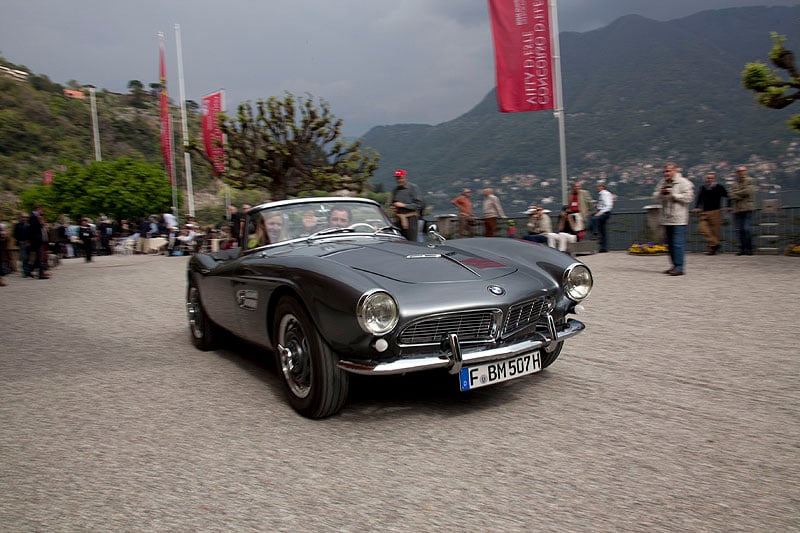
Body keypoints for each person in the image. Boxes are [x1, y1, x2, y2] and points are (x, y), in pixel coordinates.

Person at [653, 163, 694, 276]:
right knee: (670, 244)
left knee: (677, 243)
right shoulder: (662, 182)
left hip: (678, 218)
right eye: (665, 171)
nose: (667, 173)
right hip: (666, 217)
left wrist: (674, 194)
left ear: (675, 170)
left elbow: (689, 198)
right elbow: (655, 196)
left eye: (669, 171)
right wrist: (661, 193)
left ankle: (679, 267)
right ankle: (673, 265)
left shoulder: (683, 182)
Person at [692, 171, 728, 255]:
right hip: (705, 211)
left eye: (711, 178)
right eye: (708, 178)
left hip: (716, 211)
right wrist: (697, 207)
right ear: (706, 179)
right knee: (702, 228)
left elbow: (727, 195)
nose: (709, 180)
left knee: (715, 231)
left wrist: (728, 206)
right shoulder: (703, 187)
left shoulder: (719, 187)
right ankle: (716, 244)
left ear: (714, 179)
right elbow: (699, 198)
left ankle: (712, 249)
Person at [728, 165, 756, 256]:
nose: (740, 173)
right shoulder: (733, 183)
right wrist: (740, 194)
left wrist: (736, 194)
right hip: (737, 209)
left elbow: (748, 192)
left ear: (745, 171)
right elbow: (730, 195)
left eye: (742, 171)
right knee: (739, 230)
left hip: (747, 208)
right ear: (737, 173)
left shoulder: (750, 180)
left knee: (747, 229)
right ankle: (742, 249)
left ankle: (749, 248)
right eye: (739, 171)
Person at [390, 169, 423, 241]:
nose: (399, 180)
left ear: (405, 178)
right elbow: (392, 203)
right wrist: (393, 207)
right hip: (398, 220)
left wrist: (404, 205)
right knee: (399, 241)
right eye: (397, 178)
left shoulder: (413, 188)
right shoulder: (395, 190)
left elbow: (418, 205)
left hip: (410, 219)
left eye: (400, 178)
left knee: (412, 242)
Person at [590, 183, 613, 253]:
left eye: (598, 186)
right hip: (602, 211)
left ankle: (595, 233)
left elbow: (608, 206)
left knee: (594, 219)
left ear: (602, 187)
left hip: (604, 212)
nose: (597, 188)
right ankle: (603, 247)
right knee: (603, 230)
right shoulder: (602, 194)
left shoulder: (605, 194)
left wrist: (600, 212)